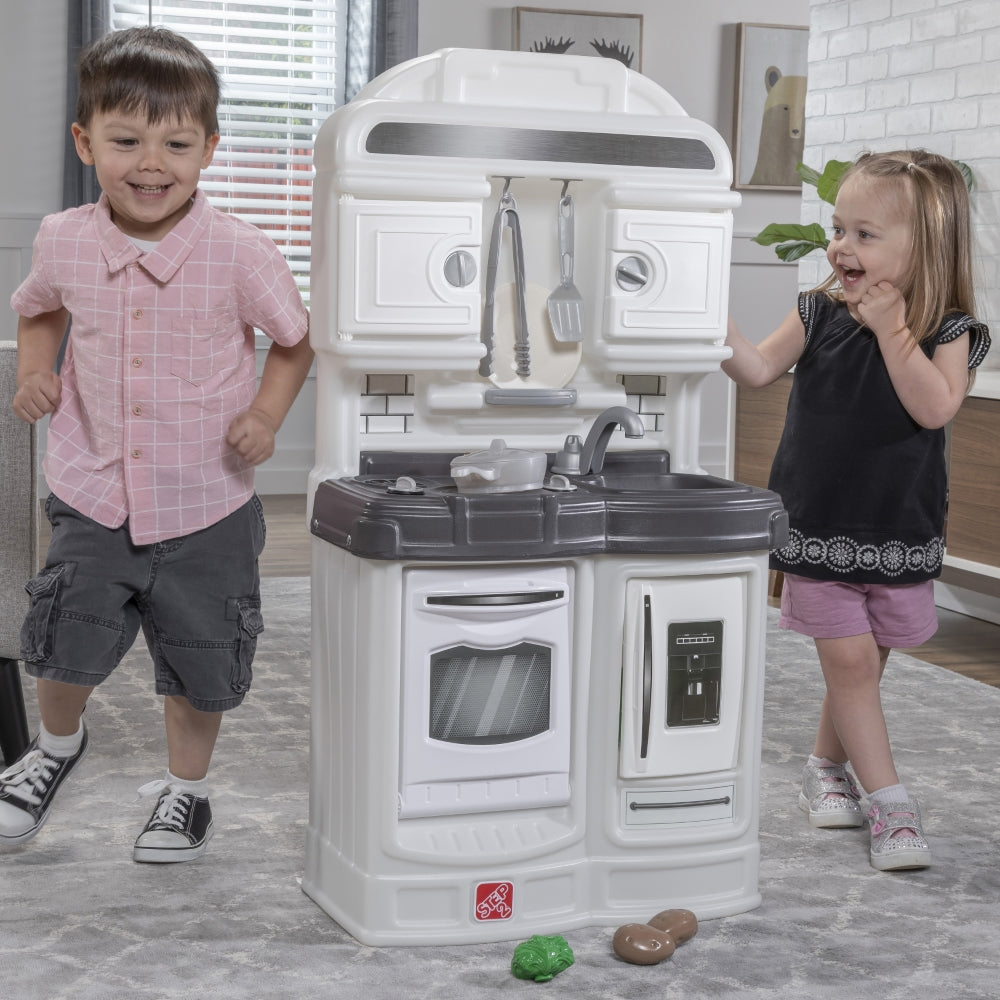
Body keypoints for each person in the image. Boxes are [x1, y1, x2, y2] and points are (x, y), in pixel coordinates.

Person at [0, 26, 313, 863]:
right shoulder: (63, 237)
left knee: (201, 659)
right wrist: (37, 369)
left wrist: (267, 417)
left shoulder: (241, 251)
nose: (150, 163)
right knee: (63, 638)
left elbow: (294, 340)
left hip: (207, 500)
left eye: (176, 143)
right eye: (126, 140)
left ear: (208, 148)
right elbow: (39, 306)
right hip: (94, 486)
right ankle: (54, 750)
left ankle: (186, 792)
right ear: (85, 140)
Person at [724, 149, 991, 872]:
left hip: (900, 529)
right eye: (839, 228)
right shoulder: (816, 311)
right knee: (847, 662)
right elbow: (754, 370)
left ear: (924, 246)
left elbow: (934, 407)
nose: (841, 246)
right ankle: (893, 806)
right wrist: (705, 315)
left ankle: (823, 766)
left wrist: (894, 329)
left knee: (868, 663)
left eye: (865, 234)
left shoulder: (952, 330)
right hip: (820, 522)